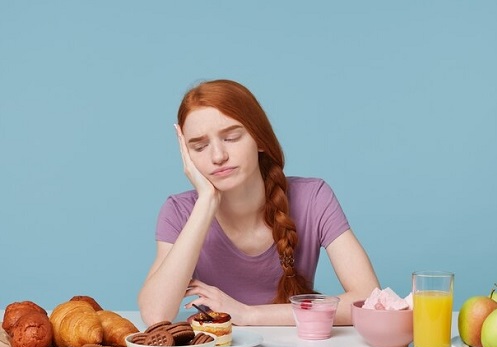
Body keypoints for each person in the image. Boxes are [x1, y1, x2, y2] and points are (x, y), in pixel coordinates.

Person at [138, 79, 380, 326]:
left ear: (260, 139)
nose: (218, 156)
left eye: (231, 138)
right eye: (199, 147)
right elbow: (156, 316)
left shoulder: (313, 197)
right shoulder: (178, 211)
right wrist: (205, 204)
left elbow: (369, 300)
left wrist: (248, 314)